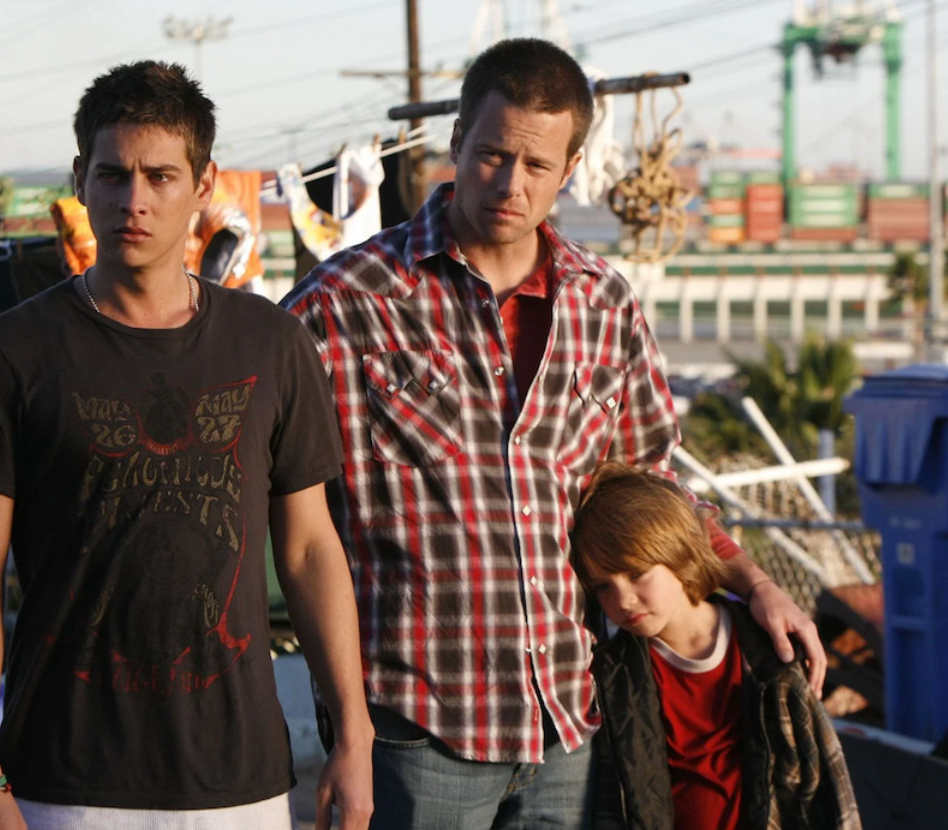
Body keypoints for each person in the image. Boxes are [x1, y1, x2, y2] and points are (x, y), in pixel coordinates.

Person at [280, 37, 826, 830]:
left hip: (571, 726)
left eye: (537, 167)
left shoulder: (604, 305)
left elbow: (656, 490)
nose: (511, 184)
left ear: (568, 170)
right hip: (414, 731)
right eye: (493, 155)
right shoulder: (345, 301)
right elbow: (286, 509)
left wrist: (757, 583)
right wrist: (347, 724)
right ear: (457, 140)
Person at [0, 60, 373, 830]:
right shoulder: (11, 354)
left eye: (161, 176)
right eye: (113, 174)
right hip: (59, 783)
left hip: (242, 784)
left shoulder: (271, 345)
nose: (134, 200)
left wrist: (353, 733)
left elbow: (308, 551)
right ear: (80, 179)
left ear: (204, 186)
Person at [572, 462, 861, 830]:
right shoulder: (616, 674)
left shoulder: (770, 654)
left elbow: (822, 789)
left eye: (636, 573)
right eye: (603, 587)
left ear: (680, 553)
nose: (623, 600)